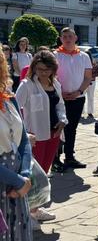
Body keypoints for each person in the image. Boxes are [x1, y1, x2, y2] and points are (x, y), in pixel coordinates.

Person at [15, 51, 67, 226]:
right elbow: (15, 109)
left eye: (47, 69)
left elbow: (60, 105)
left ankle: (35, 210)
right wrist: (23, 133)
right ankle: (27, 214)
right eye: (40, 69)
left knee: (43, 173)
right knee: (32, 176)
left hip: (53, 134)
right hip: (35, 137)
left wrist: (62, 120)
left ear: (53, 69)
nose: (43, 73)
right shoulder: (27, 85)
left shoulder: (56, 84)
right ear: (34, 68)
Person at [0, 51, 33, 241]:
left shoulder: (7, 98)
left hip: (14, 186)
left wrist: (25, 173)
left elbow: (23, 142)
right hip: (8, 183)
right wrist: (18, 181)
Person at [53, 27, 92, 172]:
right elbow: (51, 77)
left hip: (78, 97)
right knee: (57, 128)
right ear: (61, 39)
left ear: (75, 38)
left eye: (70, 36)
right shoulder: (55, 55)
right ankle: (55, 159)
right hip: (59, 99)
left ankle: (69, 156)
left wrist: (79, 91)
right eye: (64, 37)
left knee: (72, 129)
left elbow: (88, 77)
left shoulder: (84, 56)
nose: (67, 39)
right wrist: (59, 92)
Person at [85, 51, 98, 118]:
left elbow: (97, 73)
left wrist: (90, 75)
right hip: (84, 82)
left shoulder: (94, 64)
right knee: (82, 96)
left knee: (90, 97)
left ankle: (90, 112)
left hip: (92, 82)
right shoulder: (82, 63)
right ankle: (81, 111)